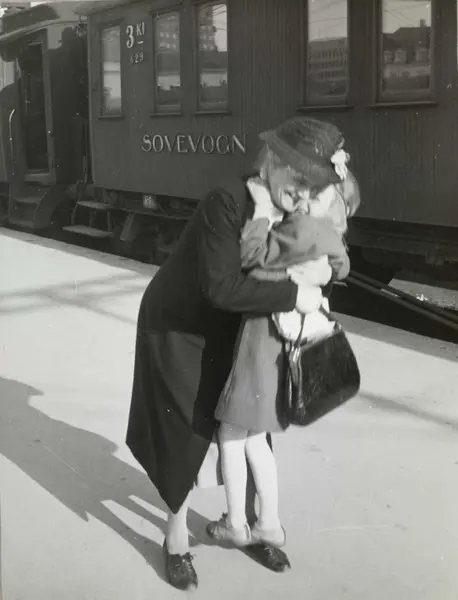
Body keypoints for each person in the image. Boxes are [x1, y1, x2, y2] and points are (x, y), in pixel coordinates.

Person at [126, 116, 328, 591]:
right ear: (273, 162)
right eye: (297, 182)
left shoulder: (287, 207)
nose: (302, 196)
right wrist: (292, 295)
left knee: (250, 420)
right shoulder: (226, 201)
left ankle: (253, 526)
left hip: (238, 324)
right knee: (190, 425)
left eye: (310, 189)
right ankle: (176, 538)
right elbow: (220, 287)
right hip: (180, 323)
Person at [207, 126, 360, 549]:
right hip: (283, 350)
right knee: (257, 439)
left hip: (259, 343)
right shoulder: (328, 236)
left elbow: (251, 258)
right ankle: (269, 524)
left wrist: (260, 211)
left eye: (314, 192)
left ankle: (236, 524)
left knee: (230, 434)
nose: (304, 197)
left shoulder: (298, 228)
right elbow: (343, 266)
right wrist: (326, 271)